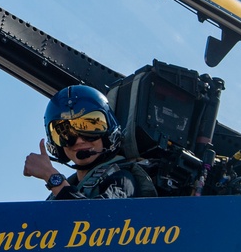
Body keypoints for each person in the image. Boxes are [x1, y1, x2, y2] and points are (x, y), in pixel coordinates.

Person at [23, 85, 156, 199]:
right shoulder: (68, 188)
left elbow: (95, 221)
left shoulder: (123, 180)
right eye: (66, 134)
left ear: (107, 132)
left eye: (90, 128)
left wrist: (51, 176)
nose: (79, 141)